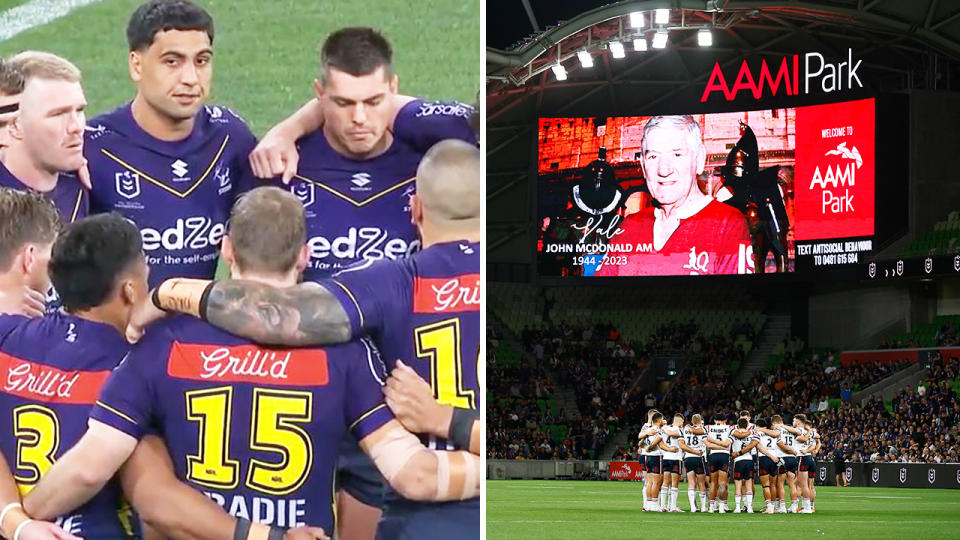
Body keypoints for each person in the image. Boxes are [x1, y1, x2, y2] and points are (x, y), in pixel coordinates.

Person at [23, 187, 479, 538]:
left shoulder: (160, 344)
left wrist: (21, 517)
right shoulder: (346, 354)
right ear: (304, 255)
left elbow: (87, 469)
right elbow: (415, 475)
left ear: (226, 250)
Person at [134, 140, 482, 539]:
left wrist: (170, 291)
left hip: (431, 524)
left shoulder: (391, 283)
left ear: (415, 208)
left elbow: (278, 316)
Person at [0, 210, 326, 539]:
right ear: (130, 291)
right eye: (146, 274)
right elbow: (150, 496)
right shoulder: (141, 361)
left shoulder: (8, 337)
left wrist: (16, 522)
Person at [253, 27, 477, 280]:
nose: (359, 118)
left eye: (373, 102)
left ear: (394, 88)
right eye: (343, 103)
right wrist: (286, 132)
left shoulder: (432, 161)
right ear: (320, 94)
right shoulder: (284, 168)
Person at [84, 0, 258, 288]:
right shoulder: (93, 147)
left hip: (196, 327)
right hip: (118, 331)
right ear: (136, 65)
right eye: (172, 62)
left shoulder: (231, 139)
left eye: (201, 61)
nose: (190, 79)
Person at [593, 115, 753, 276]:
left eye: (677, 155)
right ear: (643, 165)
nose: (664, 170)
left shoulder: (728, 224)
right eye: (653, 156)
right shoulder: (629, 226)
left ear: (699, 160)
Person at [0, 52, 88, 224]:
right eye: (58, 114)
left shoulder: (81, 183)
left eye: (79, 110)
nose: (76, 126)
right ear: (15, 125)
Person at [704, 414, 733, 513]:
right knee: (722, 483)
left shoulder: (708, 428)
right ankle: (721, 507)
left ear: (715, 420)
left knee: (713, 483)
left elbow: (707, 445)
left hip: (713, 455)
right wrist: (723, 447)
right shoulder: (729, 428)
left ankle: (711, 507)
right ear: (725, 420)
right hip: (724, 455)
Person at [639, 412, 666, 511]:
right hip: (656, 456)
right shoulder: (659, 430)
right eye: (662, 419)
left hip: (648, 457)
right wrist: (671, 449)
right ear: (659, 420)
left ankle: (649, 504)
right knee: (657, 482)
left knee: (649, 482)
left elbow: (640, 440)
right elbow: (661, 445)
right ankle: (654, 505)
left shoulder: (648, 430)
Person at [681, 414, 707, 512]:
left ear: (692, 421)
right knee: (701, 483)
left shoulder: (686, 429)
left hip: (688, 457)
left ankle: (693, 507)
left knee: (691, 482)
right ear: (700, 421)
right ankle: (703, 507)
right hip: (698, 457)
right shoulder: (703, 430)